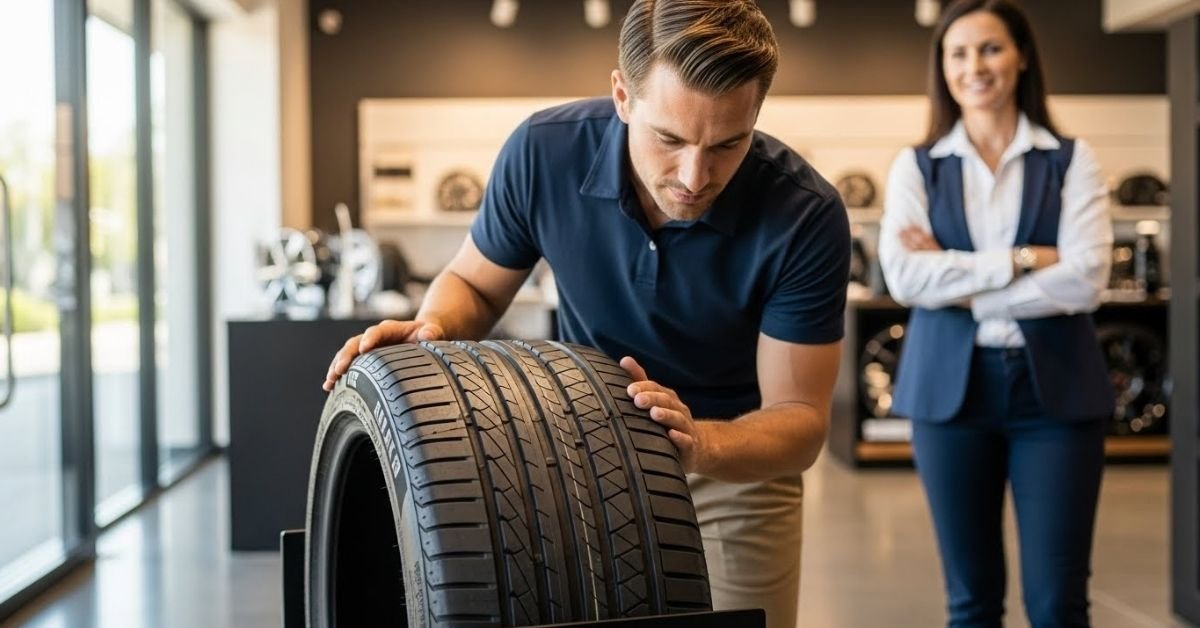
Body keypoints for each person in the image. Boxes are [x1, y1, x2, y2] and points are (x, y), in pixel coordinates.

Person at [323, 1, 849, 626]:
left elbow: (798, 421)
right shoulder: (543, 153)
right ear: (623, 96)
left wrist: (697, 442)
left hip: (731, 467)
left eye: (728, 144)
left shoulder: (806, 215)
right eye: (670, 138)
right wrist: (435, 327)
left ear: (756, 114)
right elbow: (474, 282)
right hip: (576, 452)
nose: (694, 175)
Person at [878, 1, 1114, 626]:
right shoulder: (917, 165)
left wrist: (956, 277)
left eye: (990, 49)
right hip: (951, 400)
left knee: (1058, 603)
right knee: (971, 602)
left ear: (1022, 56)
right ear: (942, 67)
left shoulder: (1071, 158)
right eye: (958, 53)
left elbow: (1086, 278)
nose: (974, 66)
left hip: (1057, 397)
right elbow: (905, 276)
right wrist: (1021, 260)